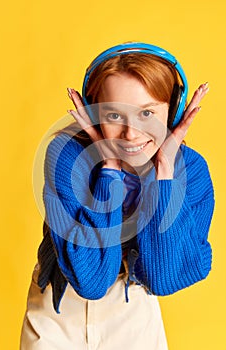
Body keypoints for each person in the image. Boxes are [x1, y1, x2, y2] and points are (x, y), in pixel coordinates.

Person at [20, 42, 215, 350]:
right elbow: (91, 281)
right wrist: (109, 171)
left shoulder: (189, 170)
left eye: (147, 112)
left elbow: (163, 278)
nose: (131, 134)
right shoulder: (67, 157)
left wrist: (164, 174)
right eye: (113, 114)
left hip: (132, 308)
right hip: (59, 305)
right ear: (94, 112)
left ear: (174, 110)